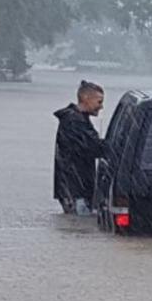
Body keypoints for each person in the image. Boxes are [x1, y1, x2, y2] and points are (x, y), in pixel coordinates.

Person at [53, 80, 106, 214]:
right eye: (99, 102)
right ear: (86, 98)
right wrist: (117, 145)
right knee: (79, 226)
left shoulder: (78, 119)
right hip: (75, 190)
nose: (101, 107)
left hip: (74, 188)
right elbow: (93, 148)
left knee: (76, 228)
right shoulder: (74, 121)